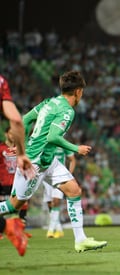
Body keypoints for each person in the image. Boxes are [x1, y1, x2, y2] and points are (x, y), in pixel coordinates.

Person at [0, 70, 107, 253]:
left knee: (74, 190)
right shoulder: (67, 110)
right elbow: (53, 136)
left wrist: (22, 143)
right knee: (13, 205)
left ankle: (80, 240)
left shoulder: (49, 102)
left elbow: (25, 120)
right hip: (36, 163)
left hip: (47, 160)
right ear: (78, 91)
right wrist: (76, 148)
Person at [0, 74, 35, 256]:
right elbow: (16, 120)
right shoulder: (1, 81)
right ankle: (8, 225)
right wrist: (21, 153)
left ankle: (8, 225)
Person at [0, 126, 31, 237]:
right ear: (6, 134)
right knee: (5, 205)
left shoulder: (20, 148)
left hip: (18, 180)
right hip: (4, 182)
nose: (13, 135)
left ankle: (21, 230)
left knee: (23, 203)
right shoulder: (1, 148)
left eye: (14, 133)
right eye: (10, 133)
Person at [44, 147, 76, 238]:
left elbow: (72, 160)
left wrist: (68, 175)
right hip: (46, 177)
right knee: (50, 204)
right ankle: (59, 229)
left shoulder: (62, 144)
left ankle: (50, 230)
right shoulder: (47, 143)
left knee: (56, 201)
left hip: (59, 176)